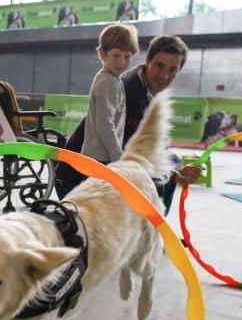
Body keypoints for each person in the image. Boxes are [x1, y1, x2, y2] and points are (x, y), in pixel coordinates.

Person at [56, 34, 201, 212]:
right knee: (163, 173)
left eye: (173, 70)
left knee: (171, 161)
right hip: (76, 183)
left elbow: (157, 149)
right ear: (147, 60)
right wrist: (174, 175)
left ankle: (153, 229)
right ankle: (153, 230)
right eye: (160, 66)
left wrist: (177, 170)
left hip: (98, 173)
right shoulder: (129, 93)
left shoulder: (145, 87)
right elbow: (129, 158)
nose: (164, 75)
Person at [80, 23, 139, 166]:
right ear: (102, 53)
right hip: (102, 157)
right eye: (116, 55)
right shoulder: (109, 83)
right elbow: (105, 123)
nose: (121, 62)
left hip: (96, 154)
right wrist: (117, 156)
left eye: (127, 56)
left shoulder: (109, 78)